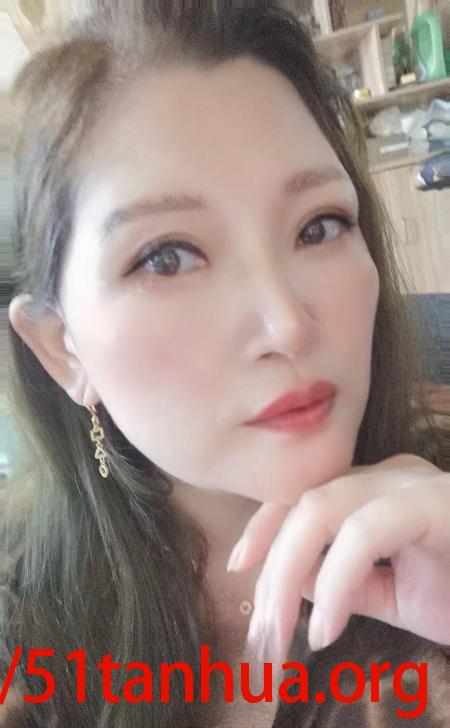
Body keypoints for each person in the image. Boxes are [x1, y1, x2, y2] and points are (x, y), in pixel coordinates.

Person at [2, 2, 449, 726]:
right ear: (62, 349)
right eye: (166, 258)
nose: (286, 323)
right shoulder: (23, 627)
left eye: (319, 226)